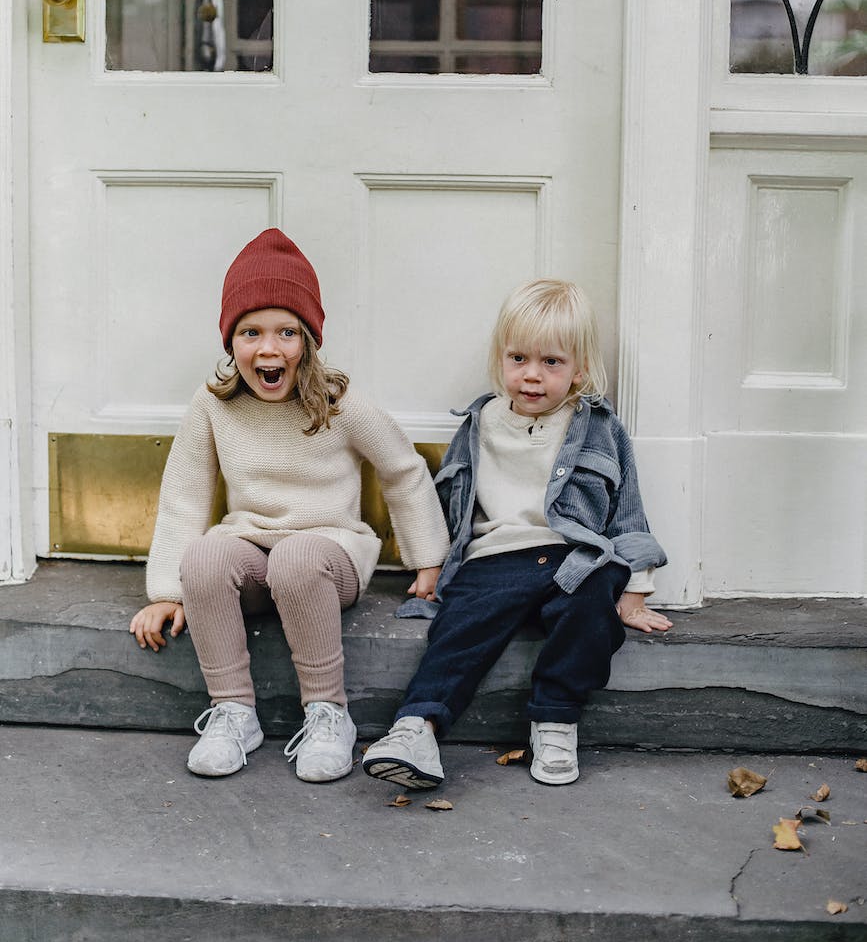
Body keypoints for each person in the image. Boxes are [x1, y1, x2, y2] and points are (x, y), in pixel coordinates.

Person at [129, 228, 448, 783]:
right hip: (253, 554)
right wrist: (166, 592)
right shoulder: (213, 404)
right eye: (250, 332)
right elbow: (185, 494)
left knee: (297, 557)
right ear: (231, 342)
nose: (268, 348)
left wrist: (428, 557)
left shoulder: (339, 401)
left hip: (328, 556)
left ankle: (329, 714)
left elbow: (403, 468)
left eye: (285, 332)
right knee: (206, 555)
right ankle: (234, 712)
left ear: (309, 341)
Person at [363, 278, 672, 790]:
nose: (532, 376)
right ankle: (416, 727)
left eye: (551, 362)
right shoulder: (479, 422)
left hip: (575, 557)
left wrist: (636, 590)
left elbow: (627, 512)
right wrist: (431, 563)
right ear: (501, 358)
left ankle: (555, 720)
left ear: (580, 369)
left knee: (592, 607)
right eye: (519, 358)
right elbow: (451, 503)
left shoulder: (600, 428)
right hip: (497, 558)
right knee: (461, 626)